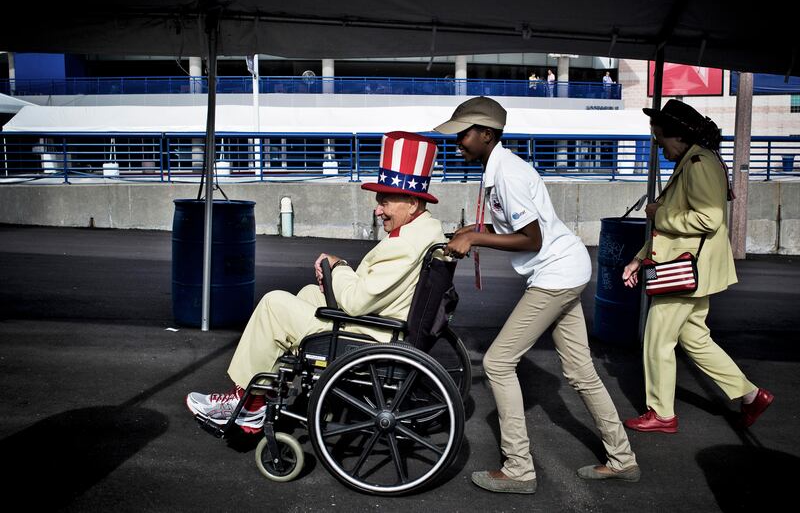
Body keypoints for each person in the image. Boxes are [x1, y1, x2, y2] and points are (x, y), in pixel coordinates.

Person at [435, 96, 639, 495]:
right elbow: (518, 227)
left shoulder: (508, 174)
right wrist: (473, 230)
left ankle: (519, 469)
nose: (457, 141)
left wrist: (476, 236)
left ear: (487, 134)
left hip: (555, 274)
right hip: (564, 269)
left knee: (497, 361)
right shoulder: (498, 169)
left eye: (463, 134)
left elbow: (532, 238)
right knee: (581, 372)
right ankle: (623, 459)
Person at [186, 131, 446, 432]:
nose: (377, 209)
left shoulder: (405, 245)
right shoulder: (427, 231)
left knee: (274, 304)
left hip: (374, 336)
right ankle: (267, 382)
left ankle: (248, 403)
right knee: (310, 293)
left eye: (384, 202)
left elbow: (357, 301)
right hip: (386, 323)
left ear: (412, 202)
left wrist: (339, 266)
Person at [622, 99, 774, 433]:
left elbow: (709, 218)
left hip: (683, 271)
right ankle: (750, 395)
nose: (659, 148)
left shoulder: (698, 164)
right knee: (695, 339)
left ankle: (661, 414)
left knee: (658, 341)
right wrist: (638, 258)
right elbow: (672, 229)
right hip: (691, 269)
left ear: (678, 136)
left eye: (661, 140)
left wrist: (658, 213)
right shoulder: (693, 161)